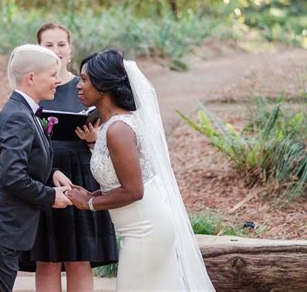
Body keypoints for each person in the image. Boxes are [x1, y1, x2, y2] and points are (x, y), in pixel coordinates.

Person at [67, 49, 215, 291]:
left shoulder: (119, 129)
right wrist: (91, 194)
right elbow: (120, 180)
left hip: (146, 230)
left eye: (84, 79)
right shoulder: (109, 125)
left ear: (103, 85)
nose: (78, 85)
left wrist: (90, 204)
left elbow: (134, 190)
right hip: (137, 228)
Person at [0, 44, 73, 292]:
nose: (58, 80)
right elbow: (12, 177)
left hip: (2, 231)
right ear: (31, 78)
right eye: (53, 74)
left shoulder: (24, 111)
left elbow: (19, 164)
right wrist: (50, 196)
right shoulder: (19, 116)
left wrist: (51, 174)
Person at [19, 23, 118, 292]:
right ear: (38, 50)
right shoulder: (32, 90)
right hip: (42, 175)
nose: (56, 50)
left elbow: (113, 144)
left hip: (79, 174)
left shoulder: (84, 87)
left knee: (79, 257)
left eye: (61, 44)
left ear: (71, 50)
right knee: (47, 259)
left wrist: (94, 140)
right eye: (48, 45)